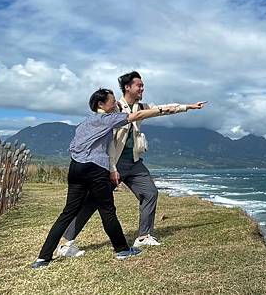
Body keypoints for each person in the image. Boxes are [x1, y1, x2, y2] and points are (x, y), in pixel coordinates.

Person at [57, 71, 207, 257]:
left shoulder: (142, 106)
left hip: (134, 162)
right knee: (94, 201)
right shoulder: (114, 108)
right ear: (128, 87)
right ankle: (66, 242)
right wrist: (111, 167)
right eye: (139, 85)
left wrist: (188, 107)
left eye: (143, 85)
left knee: (150, 192)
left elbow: (163, 108)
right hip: (113, 163)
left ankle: (144, 235)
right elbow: (102, 132)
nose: (142, 88)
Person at [31, 88, 180, 269]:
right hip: (95, 170)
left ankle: (43, 258)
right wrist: (166, 109)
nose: (116, 103)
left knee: (67, 213)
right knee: (107, 211)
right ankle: (122, 250)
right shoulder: (107, 119)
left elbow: (75, 146)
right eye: (112, 101)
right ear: (101, 104)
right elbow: (137, 115)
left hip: (75, 168)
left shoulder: (85, 123)